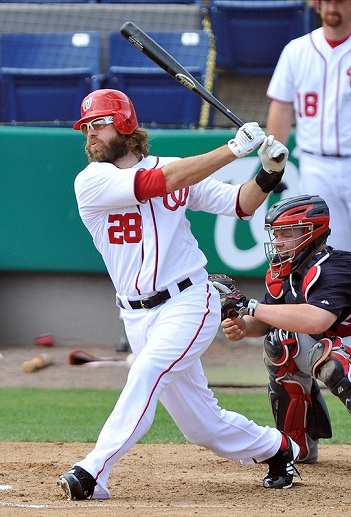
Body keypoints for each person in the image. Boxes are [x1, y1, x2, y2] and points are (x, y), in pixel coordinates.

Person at [58, 88, 300, 500]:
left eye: (98, 124)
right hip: (135, 314)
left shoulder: (176, 169)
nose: (90, 135)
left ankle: (92, 471)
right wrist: (232, 149)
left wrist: (268, 173)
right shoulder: (92, 180)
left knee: (146, 371)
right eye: (87, 128)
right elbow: (158, 182)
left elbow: (240, 204)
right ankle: (278, 448)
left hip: (189, 300)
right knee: (201, 426)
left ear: (125, 125)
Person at [220, 194, 351, 464]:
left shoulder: (335, 266)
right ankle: (296, 444)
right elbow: (269, 321)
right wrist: (244, 324)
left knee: (334, 360)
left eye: (286, 233)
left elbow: (317, 320)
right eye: (276, 234)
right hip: (338, 344)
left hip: (344, 347)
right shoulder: (286, 273)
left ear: (310, 232)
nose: (277, 241)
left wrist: (250, 305)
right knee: (280, 343)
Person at [266, 0, 351, 251]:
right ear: (316, 4)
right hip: (316, 166)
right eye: (326, 1)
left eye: (340, 1)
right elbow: (281, 106)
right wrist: (274, 163)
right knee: (330, 253)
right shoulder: (297, 50)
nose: (332, 7)